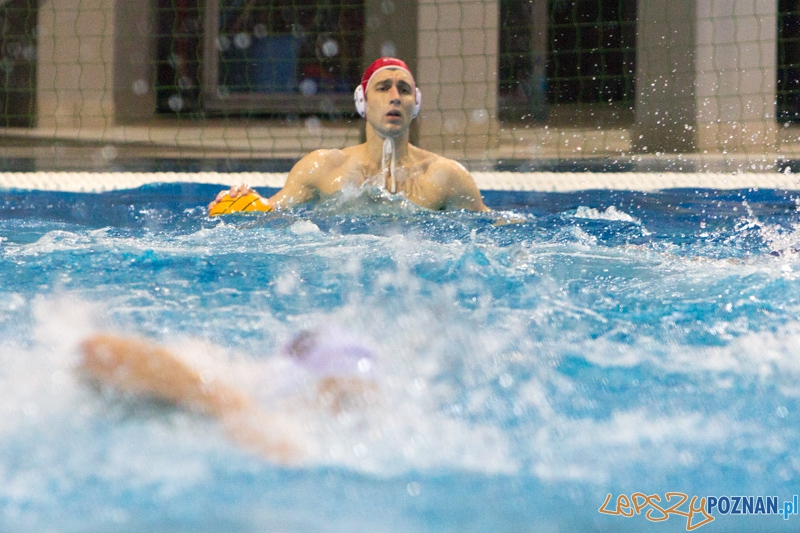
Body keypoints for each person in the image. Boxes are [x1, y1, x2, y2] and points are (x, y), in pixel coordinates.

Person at [208, 57, 489, 215]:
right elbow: (272, 213)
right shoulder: (323, 167)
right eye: (383, 88)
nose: (395, 97)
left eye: (404, 90)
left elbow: (492, 229)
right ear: (362, 101)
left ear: (414, 104)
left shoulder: (445, 177)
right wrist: (241, 204)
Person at [79, 328, 380, 464]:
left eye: (360, 404)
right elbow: (96, 351)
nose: (346, 415)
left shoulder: (355, 447)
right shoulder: (222, 379)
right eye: (345, 400)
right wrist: (237, 412)